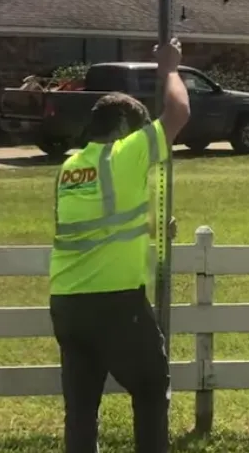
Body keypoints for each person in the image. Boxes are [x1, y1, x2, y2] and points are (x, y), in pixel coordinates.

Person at [48, 38, 191, 453]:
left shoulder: (70, 168)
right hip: (114, 303)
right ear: (126, 129)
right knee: (150, 386)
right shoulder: (123, 154)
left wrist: (151, 230)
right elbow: (179, 112)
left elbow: (94, 226)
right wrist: (169, 68)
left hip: (67, 303)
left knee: (80, 408)